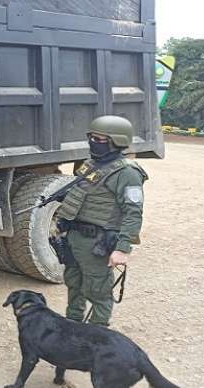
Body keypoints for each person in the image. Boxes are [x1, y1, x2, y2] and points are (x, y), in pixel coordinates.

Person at [56, 115, 148, 326]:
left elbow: (133, 213)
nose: (94, 143)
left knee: (98, 290)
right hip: (75, 236)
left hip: (97, 241)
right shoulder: (91, 165)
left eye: (100, 139)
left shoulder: (127, 173)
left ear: (117, 141)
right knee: (74, 283)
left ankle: (98, 334)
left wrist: (122, 249)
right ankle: (73, 325)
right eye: (92, 138)